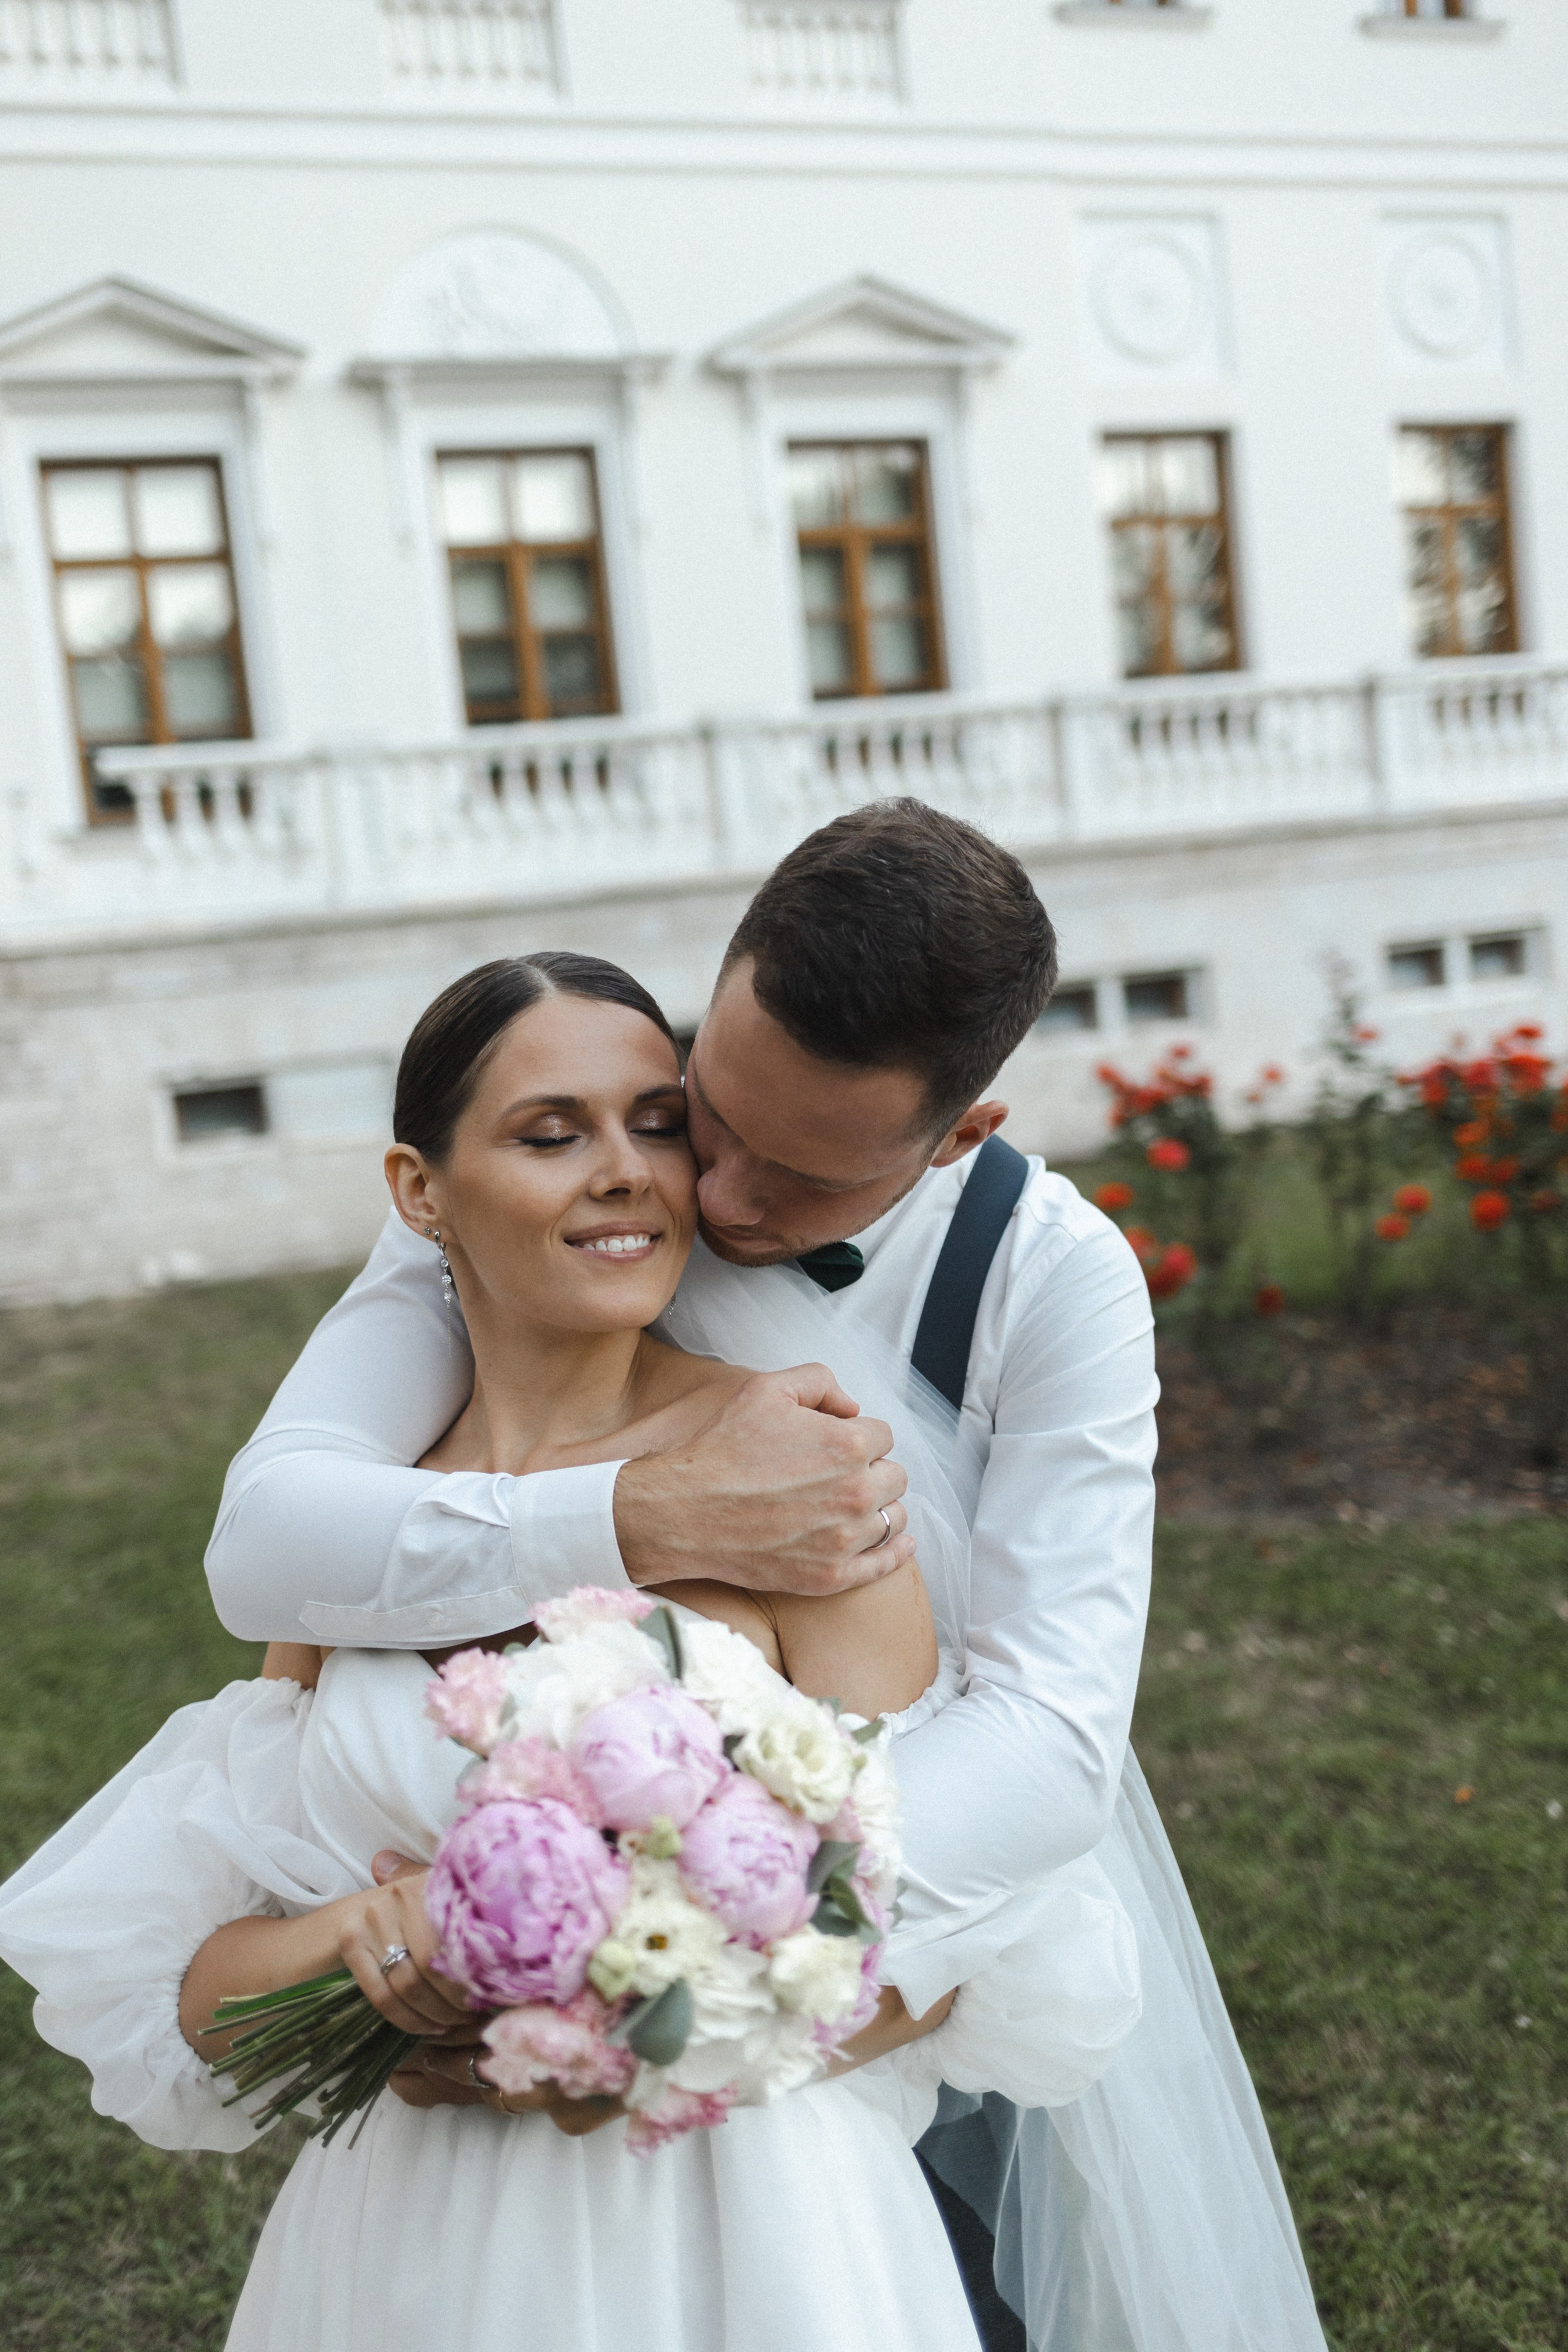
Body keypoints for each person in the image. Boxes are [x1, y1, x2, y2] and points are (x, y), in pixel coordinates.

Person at [200, 801, 1329, 2350]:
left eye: (798, 1176)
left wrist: (655, 1959)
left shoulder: (1049, 1281)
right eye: (709, 1117)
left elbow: (1049, 1741)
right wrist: (646, 1517)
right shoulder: (550, 1194)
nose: (716, 1200)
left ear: (955, 1139)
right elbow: (271, 1544)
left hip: (904, 1916)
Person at [0, 952, 1142, 2352]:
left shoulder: (805, 1481)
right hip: (413, 2241)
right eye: (550, 1135)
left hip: (754, 2229)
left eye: (658, 1126)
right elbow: (205, 1992)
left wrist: (630, 2029)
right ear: (420, 1192)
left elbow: (955, 1951)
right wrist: (367, 1950)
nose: (628, 1174)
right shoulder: (357, 1541)